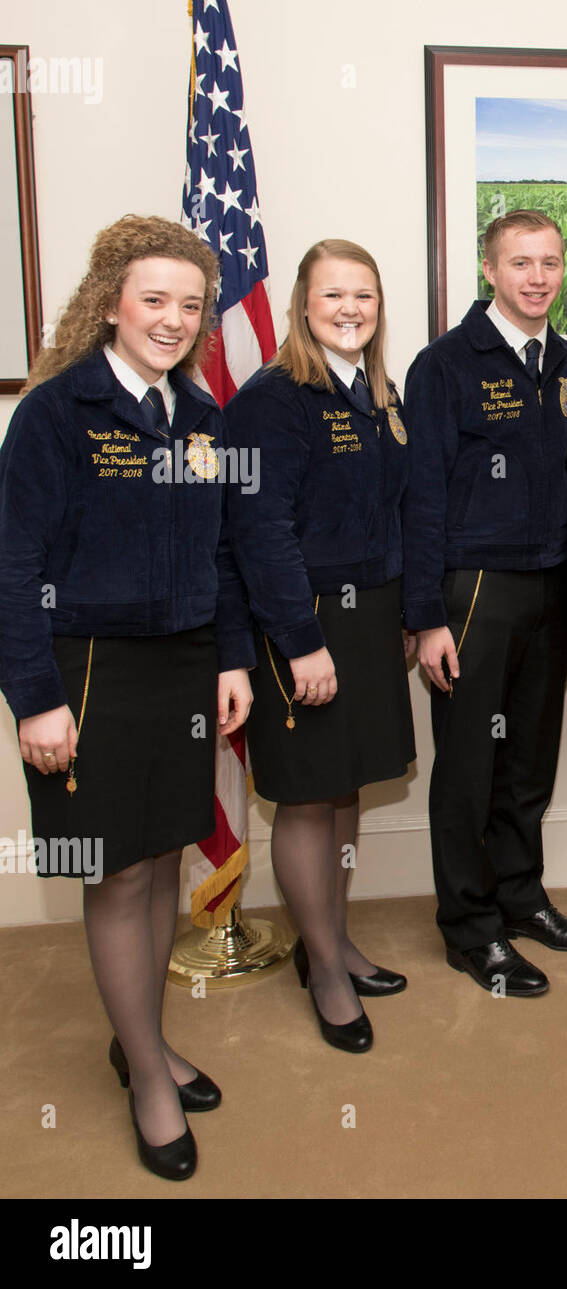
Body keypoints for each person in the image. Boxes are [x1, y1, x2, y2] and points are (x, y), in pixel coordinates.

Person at [0, 215, 254, 1180]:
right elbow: (12, 565)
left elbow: (224, 552)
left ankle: (136, 1036)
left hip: (184, 670)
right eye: (154, 300)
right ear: (111, 301)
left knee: (157, 863)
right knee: (113, 874)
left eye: (190, 306)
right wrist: (34, 698)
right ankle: (148, 1072)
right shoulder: (55, 413)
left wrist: (232, 660)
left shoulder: (203, 420)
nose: (173, 320)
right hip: (86, 672)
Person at [403, 210, 567, 999]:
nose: (538, 277)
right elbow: (419, 499)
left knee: (528, 762)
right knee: (469, 770)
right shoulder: (444, 364)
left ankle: (521, 896)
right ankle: (471, 927)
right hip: (473, 592)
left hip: (552, 589)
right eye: (521, 262)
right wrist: (425, 617)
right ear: (489, 269)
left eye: (550, 262)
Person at [224, 240, 414, 1052]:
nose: (350, 309)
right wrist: (301, 644)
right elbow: (260, 532)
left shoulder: (377, 389)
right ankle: (327, 971)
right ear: (303, 304)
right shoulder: (275, 399)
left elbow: (397, 509)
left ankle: (329, 941)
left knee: (345, 790)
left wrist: (405, 609)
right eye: (334, 294)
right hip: (302, 623)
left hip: (369, 617)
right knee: (306, 796)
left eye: (364, 296)